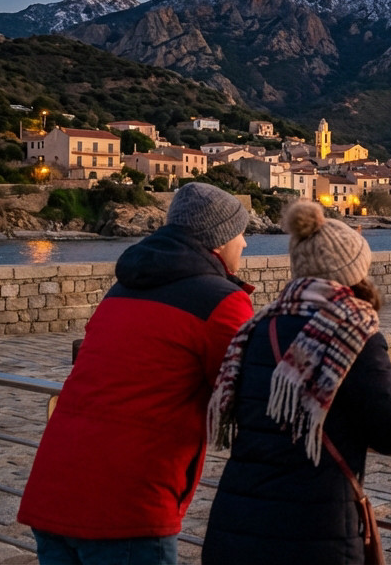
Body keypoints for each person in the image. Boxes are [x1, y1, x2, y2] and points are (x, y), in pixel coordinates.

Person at [18, 182, 254, 565]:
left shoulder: (122, 288)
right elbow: (248, 393)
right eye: (240, 232)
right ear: (218, 239)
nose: (245, 243)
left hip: (53, 490)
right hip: (127, 507)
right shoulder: (223, 302)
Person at [203, 199, 391, 565]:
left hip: (237, 524)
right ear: (352, 272)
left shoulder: (259, 327)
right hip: (314, 534)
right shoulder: (353, 334)